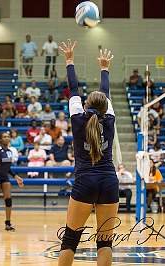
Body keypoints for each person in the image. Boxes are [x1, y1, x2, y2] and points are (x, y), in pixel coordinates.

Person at [57, 41, 118, 266]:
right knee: (105, 243)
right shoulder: (110, 119)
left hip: (85, 181)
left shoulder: (77, 118)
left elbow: (73, 89)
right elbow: (105, 92)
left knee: (70, 240)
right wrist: (105, 68)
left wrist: (69, 60)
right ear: (105, 107)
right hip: (109, 181)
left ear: (85, 105)